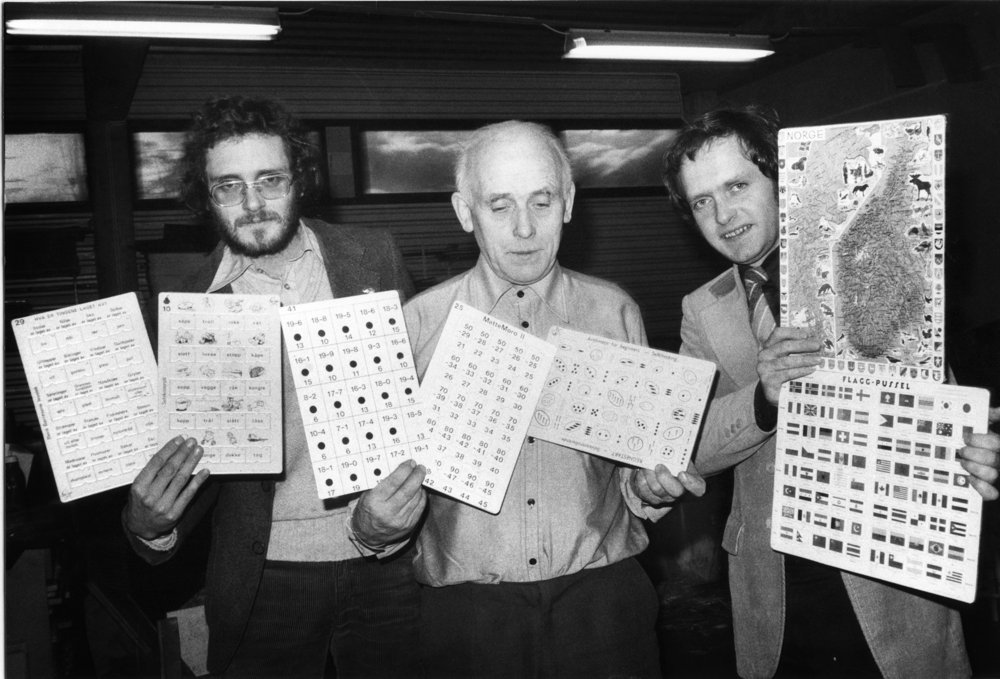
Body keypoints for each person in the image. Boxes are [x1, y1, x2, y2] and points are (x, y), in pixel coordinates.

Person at [662, 105, 1000, 678]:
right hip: (774, 589)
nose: (723, 214)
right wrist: (762, 400)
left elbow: (942, 410)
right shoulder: (702, 310)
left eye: (738, 185)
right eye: (701, 201)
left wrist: (977, 457)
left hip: (890, 575)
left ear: (784, 178)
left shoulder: (877, 261)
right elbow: (687, 444)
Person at [122, 96, 425, 679]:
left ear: (301, 180)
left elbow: (422, 397)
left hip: (388, 556)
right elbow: (176, 464)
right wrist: (147, 526)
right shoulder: (186, 303)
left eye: (270, 180)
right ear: (205, 197)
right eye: (228, 187)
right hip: (263, 574)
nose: (254, 203)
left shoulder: (373, 258)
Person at [400, 120, 706, 678]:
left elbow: (634, 480)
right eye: (499, 206)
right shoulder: (417, 325)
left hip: (603, 604)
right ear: (464, 212)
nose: (524, 229)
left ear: (567, 203)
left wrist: (651, 488)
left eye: (541, 202)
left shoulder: (614, 312)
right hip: (468, 616)